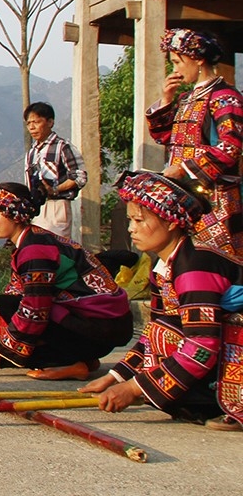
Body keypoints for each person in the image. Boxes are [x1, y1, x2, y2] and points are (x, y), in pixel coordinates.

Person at [80, 171, 243, 431]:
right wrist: (115, 377)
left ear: (170, 222)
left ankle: (222, 402)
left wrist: (134, 388)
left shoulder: (194, 266)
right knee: (162, 333)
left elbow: (202, 344)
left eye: (139, 220)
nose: (132, 228)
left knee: (171, 339)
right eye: (131, 220)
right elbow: (153, 331)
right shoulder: (165, 265)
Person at [0, 183, 133, 381]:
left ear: (14, 214)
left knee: (12, 348)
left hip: (99, 328)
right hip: (103, 327)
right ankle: (84, 358)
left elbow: (35, 308)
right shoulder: (35, 240)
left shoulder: (35, 249)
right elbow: (15, 293)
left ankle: (73, 365)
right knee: (8, 308)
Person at [147, 28, 243, 258]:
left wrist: (182, 169)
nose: (175, 69)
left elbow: (231, 147)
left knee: (217, 262)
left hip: (216, 199)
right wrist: (167, 98)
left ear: (198, 59)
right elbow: (165, 137)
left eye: (178, 62)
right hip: (187, 196)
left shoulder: (225, 97)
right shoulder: (186, 98)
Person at [23, 102, 87, 239]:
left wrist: (55, 189)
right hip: (36, 207)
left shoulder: (63, 147)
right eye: (29, 123)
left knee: (56, 248)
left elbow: (79, 177)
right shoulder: (32, 152)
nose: (32, 127)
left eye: (36, 122)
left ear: (50, 122)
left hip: (56, 206)